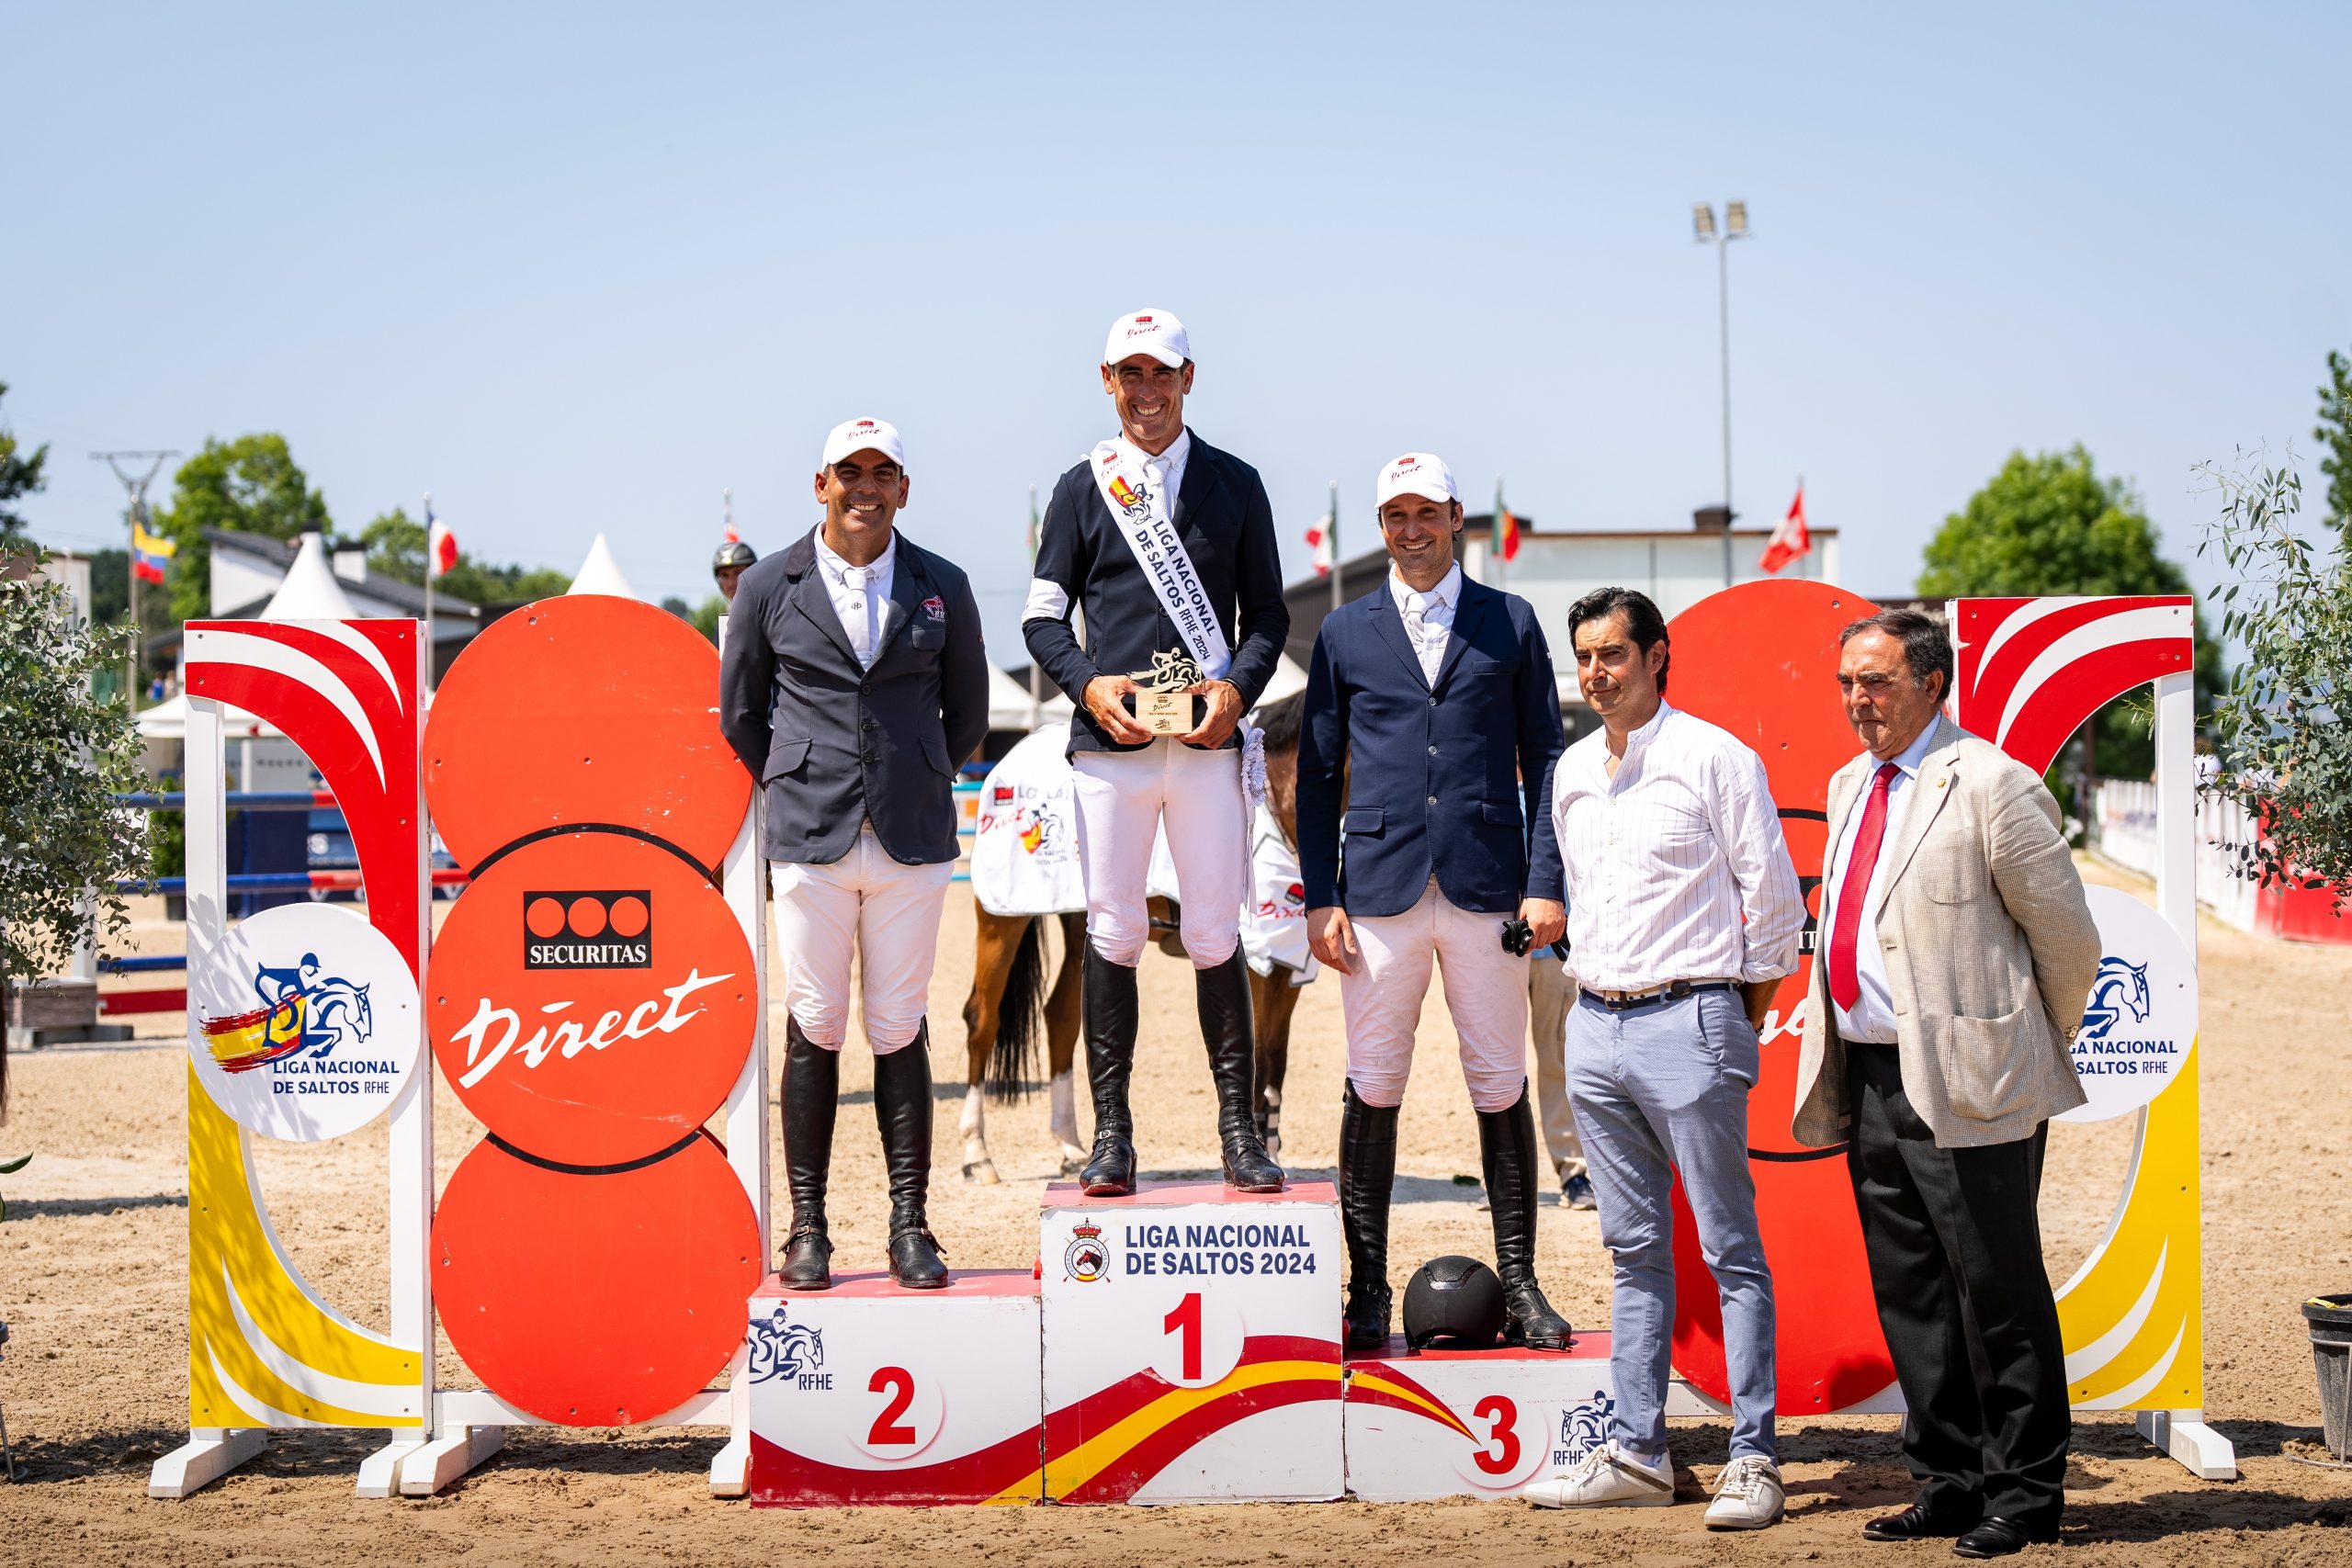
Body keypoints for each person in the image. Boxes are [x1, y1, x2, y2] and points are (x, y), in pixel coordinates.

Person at [1791, 608, 2100, 1558]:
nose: (1856, 700)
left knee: (1997, 1290)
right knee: (1913, 1293)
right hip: (1870, 1072)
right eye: (1847, 683)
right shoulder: (1849, 784)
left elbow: (2069, 941)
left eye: (1875, 682)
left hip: (1973, 1083)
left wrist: (2016, 1044)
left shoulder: (1994, 785)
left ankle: (2024, 1495)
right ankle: (1948, 1480)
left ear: (1933, 682)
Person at [1522, 587, 1804, 1530]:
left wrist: (1722, 1015)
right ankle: (1640, 1451)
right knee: (1633, 1253)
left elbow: (1773, 914)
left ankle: (1754, 1457)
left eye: (1612, 654)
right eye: (1585, 658)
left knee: (1730, 1251)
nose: (1596, 674)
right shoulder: (1567, 772)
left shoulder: (1716, 759)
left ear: (1656, 655)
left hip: (1692, 1022)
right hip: (1592, 1030)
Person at [1296, 452, 1572, 1353]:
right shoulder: (1343, 631)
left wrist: (1545, 882)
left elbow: (1548, 760)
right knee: (1374, 1084)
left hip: (1488, 886)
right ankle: (1367, 1289)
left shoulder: (1512, 621)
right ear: (1380, 526)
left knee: (1499, 1081)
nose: (1411, 530)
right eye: (1394, 516)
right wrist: (1320, 895)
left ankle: (1522, 1281)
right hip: (1376, 893)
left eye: (1426, 513)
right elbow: (1318, 772)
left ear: (1456, 516)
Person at [1022, 309, 1289, 1196]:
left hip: (1206, 745)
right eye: (1129, 375)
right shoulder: (1079, 487)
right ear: (1107, 382)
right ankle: (1112, 1136)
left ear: (1187, 377)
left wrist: (1236, 691)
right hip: (1113, 745)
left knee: (1217, 932)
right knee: (1114, 931)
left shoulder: (1238, 483)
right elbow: (1041, 615)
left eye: (1160, 374)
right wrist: (1089, 683)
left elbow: (1270, 619)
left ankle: (1240, 1134)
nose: (1145, 391)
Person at [718, 417, 989, 1291]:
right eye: (849, 472)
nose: (864, 486)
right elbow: (740, 714)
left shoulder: (943, 583)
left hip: (911, 841)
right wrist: (793, 781)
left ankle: (910, 1226)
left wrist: (915, 775)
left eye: (882, 472)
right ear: (820, 483)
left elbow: (970, 712)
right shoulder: (765, 585)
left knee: (899, 1024)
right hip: (810, 839)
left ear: (904, 487)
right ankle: (809, 1230)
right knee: (817, 1024)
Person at [1527, 957, 1596, 1209]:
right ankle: (1498, 1178)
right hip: (1490, 944)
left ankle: (1573, 1172)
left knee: (1559, 1063)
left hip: (1553, 950)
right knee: (1492, 1067)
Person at [713, 539, 757, 604]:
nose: (731, 583)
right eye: (725, 575)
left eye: (738, 573)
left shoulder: (771, 610)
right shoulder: (726, 614)